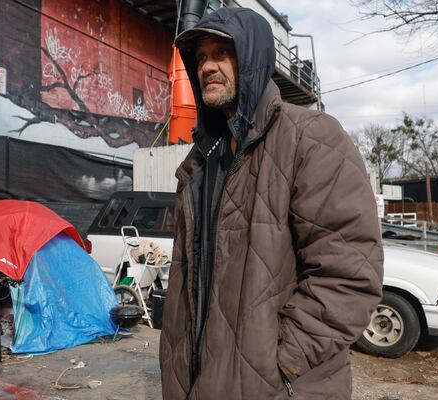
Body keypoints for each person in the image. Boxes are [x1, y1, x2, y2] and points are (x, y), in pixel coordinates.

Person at [159, 7, 384, 400]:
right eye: (201, 58)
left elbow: (348, 275)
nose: (208, 66)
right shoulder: (199, 164)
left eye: (221, 53)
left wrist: (281, 364)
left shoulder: (311, 137)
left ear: (252, 59)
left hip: (278, 386)